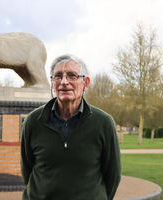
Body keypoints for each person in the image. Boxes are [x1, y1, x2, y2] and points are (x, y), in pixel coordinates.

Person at [21, 54, 121, 200]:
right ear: (52, 82)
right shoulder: (33, 122)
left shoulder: (104, 123)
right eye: (58, 76)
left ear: (85, 83)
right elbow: (27, 170)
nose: (64, 82)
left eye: (72, 76)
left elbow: (113, 176)